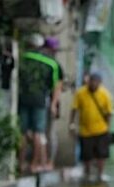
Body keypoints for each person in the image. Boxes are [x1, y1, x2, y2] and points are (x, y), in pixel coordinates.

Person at [18, 34, 62, 173]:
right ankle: (34, 164)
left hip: (22, 98)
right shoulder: (51, 63)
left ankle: (20, 163)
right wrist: (54, 104)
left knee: (22, 132)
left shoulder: (21, 58)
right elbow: (57, 86)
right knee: (39, 132)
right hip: (40, 101)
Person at [70, 73, 114, 183]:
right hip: (85, 130)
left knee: (101, 155)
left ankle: (100, 174)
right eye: (92, 81)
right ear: (88, 82)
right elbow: (74, 109)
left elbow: (109, 113)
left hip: (101, 129)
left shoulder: (105, 94)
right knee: (86, 155)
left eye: (96, 82)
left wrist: (108, 127)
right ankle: (87, 173)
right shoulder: (80, 93)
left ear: (99, 83)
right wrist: (71, 124)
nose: (93, 84)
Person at [42, 37, 65, 169]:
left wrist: (53, 104)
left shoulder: (56, 66)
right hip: (39, 101)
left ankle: (50, 161)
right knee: (40, 132)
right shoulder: (41, 63)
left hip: (50, 102)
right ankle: (42, 159)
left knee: (50, 132)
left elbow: (58, 86)